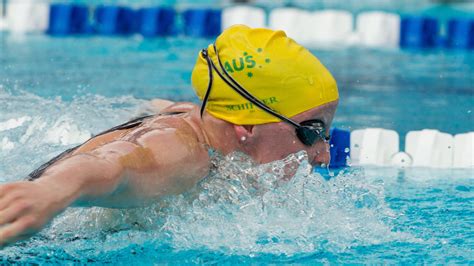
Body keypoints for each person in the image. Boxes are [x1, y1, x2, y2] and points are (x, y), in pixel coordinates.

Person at [0, 25, 338, 246]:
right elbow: (112, 164)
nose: (323, 154)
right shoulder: (181, 153)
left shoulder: (203, 121)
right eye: (311, 133)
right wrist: (49, 192)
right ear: (246, 127)